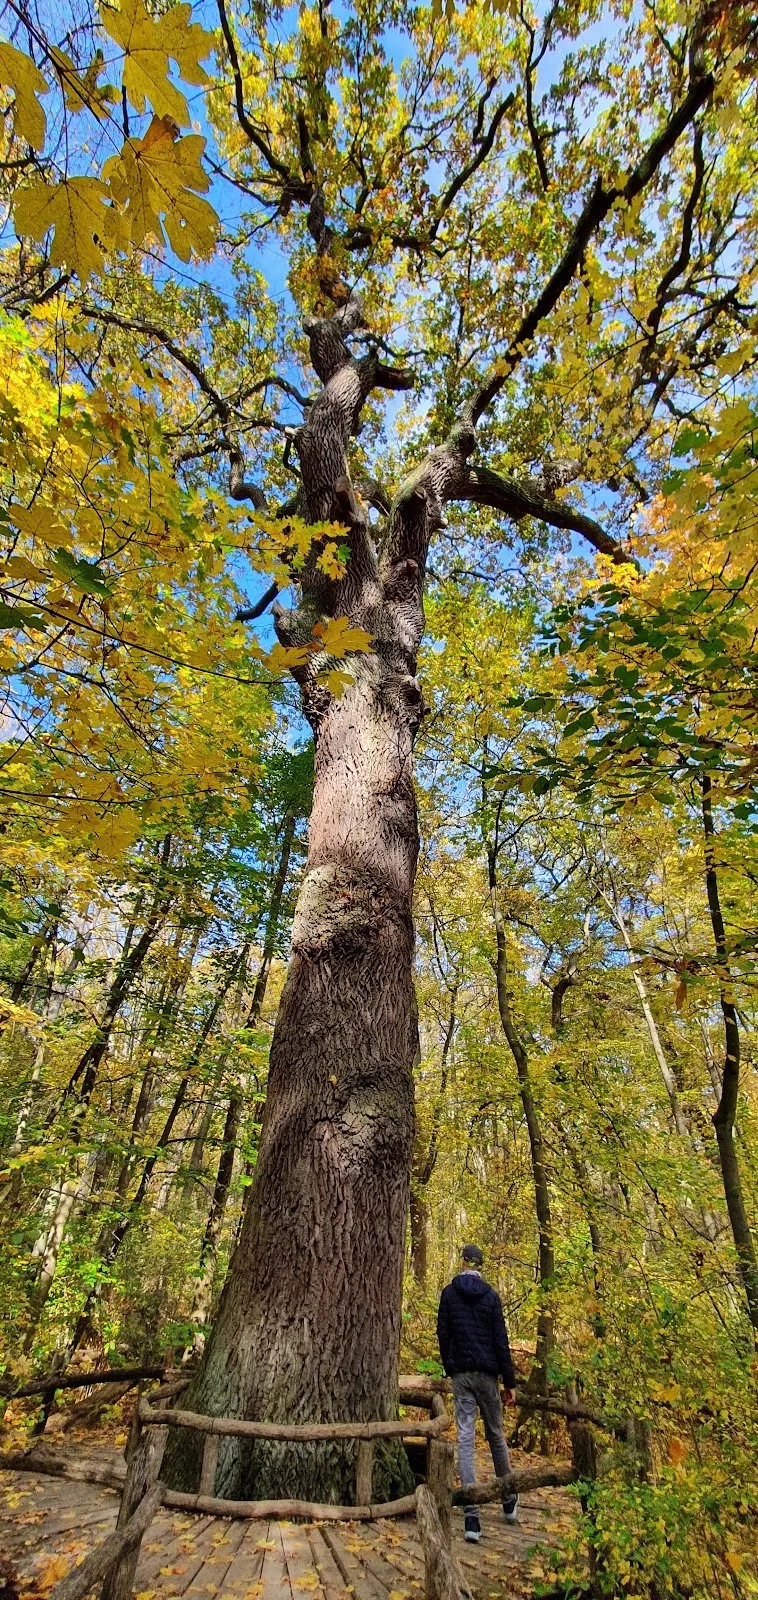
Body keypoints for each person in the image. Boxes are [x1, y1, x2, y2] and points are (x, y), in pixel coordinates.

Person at [436, 1243, 518, 1543]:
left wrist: (450, 1365)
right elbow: (501, 1341)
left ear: (462, 1263)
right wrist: (509, 1382)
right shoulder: (491, 1298)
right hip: (487, 1374)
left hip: (462, 1375)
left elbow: (442, 1333)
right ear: (480, 1266)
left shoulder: (449, 1294)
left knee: (466, 1439)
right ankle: (508, 1499)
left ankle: (471, 1515)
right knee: (496, 1434)